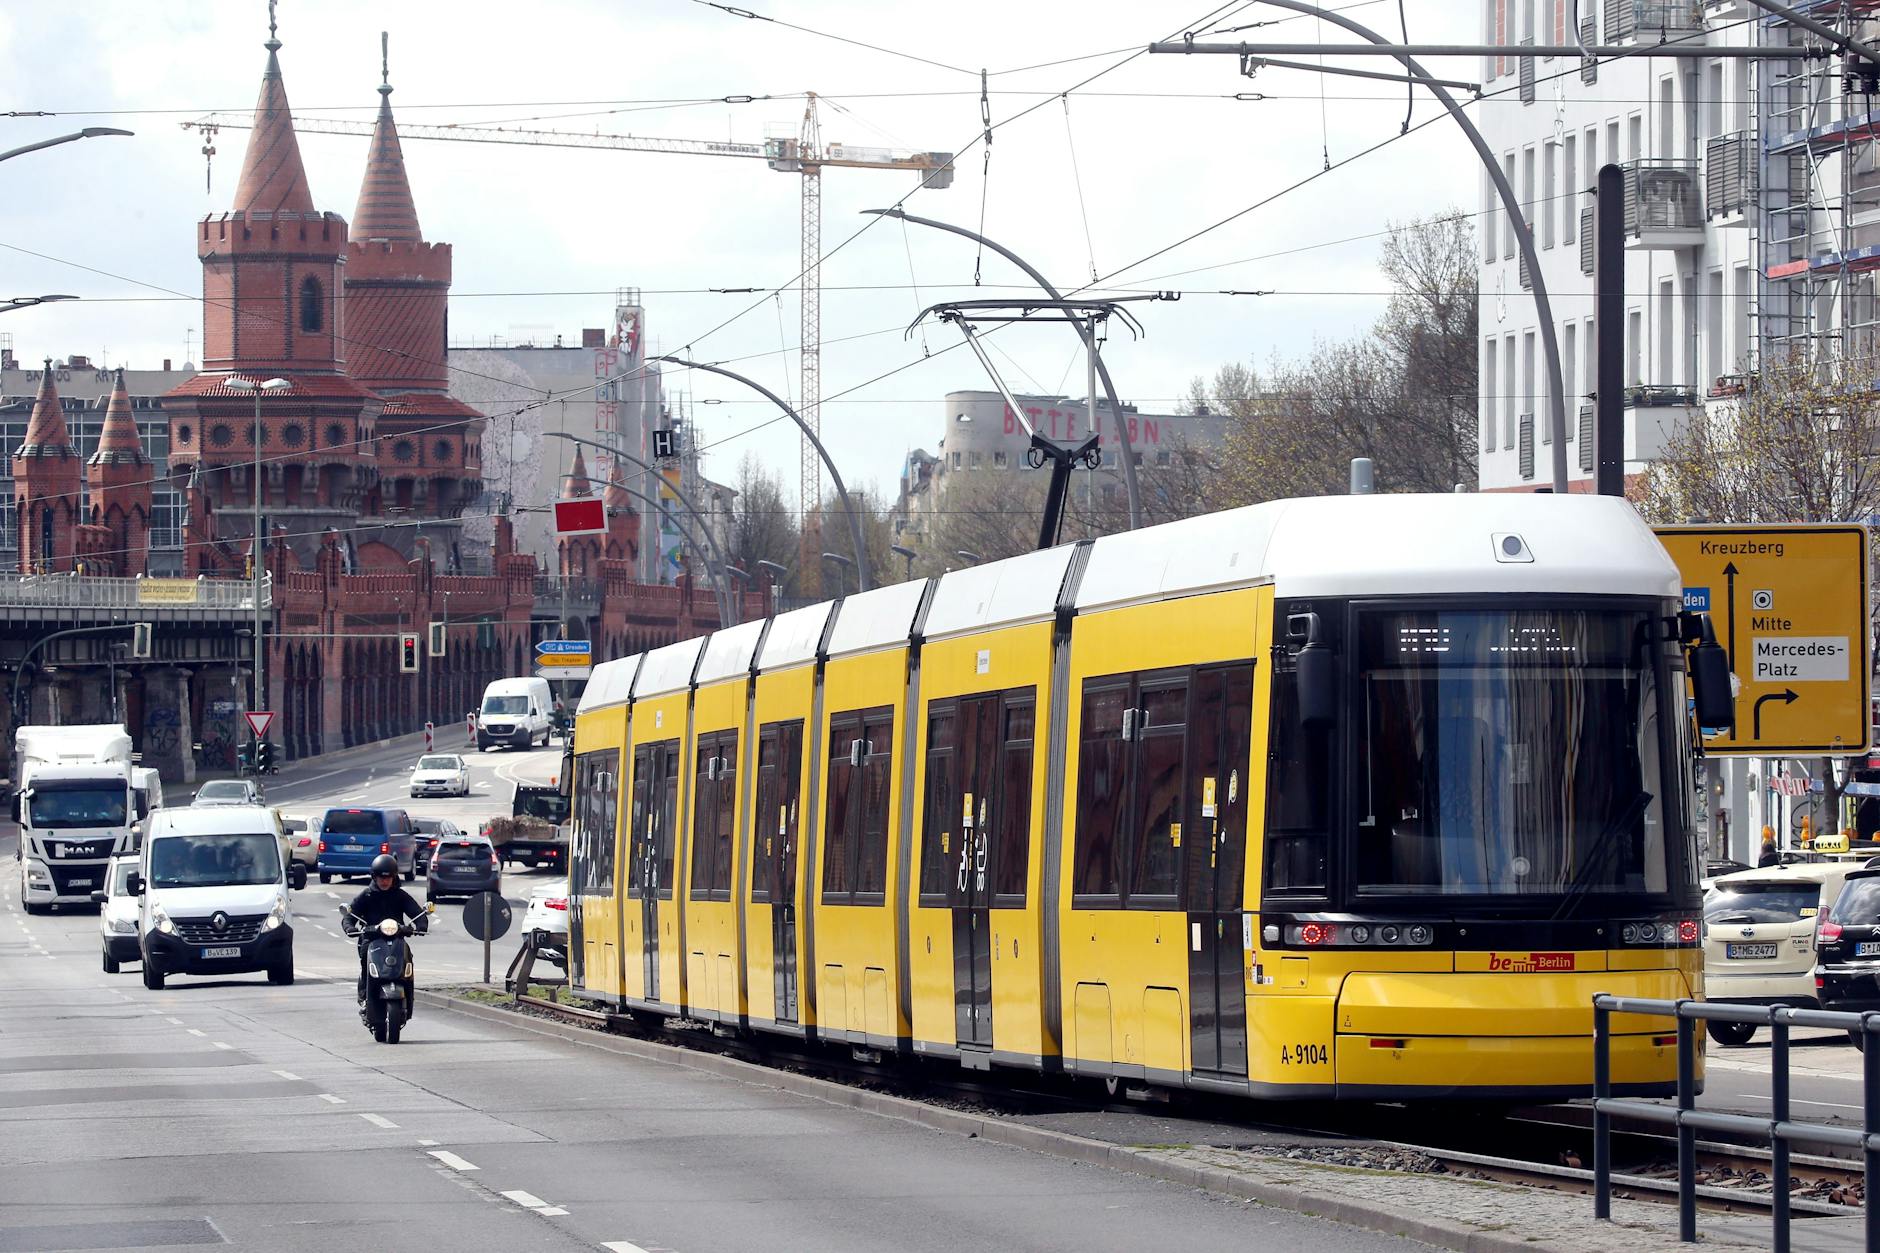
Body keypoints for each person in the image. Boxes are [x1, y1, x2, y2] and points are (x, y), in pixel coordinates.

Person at [344, 854, 427, 1009]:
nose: (384, 881)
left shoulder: (400, 895)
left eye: (388, 878)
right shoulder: (367, 895)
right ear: (374, 877)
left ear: (394, 877)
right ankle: (364, 994)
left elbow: (416, 912)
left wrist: (421, 924)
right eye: (381, 878)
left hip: (397, 937)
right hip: (372, 938)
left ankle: (409, 995)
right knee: (364, 956)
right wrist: (350, 927)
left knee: (407, 957)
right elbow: (350, 914)